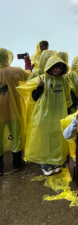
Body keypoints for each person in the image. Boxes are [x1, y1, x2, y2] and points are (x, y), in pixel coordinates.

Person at [17, 56, 72, 175]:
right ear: (50, 67)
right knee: (43, 139)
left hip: (58, 114)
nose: (57, 70)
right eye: (55, 68)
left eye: (59, 68)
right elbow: (34, 98)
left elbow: (67, 97)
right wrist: (40, 87)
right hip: (44, 115)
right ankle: (44, 164)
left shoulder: (63, 80)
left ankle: (55, 161)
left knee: (55, 138)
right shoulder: (42, 79)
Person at [0, 48, 29, 176]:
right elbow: (30, 76)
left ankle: (0, 168)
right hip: (13, 110)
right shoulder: (15, 71)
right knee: (16, 136)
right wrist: (28, 62)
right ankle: (17, 163)